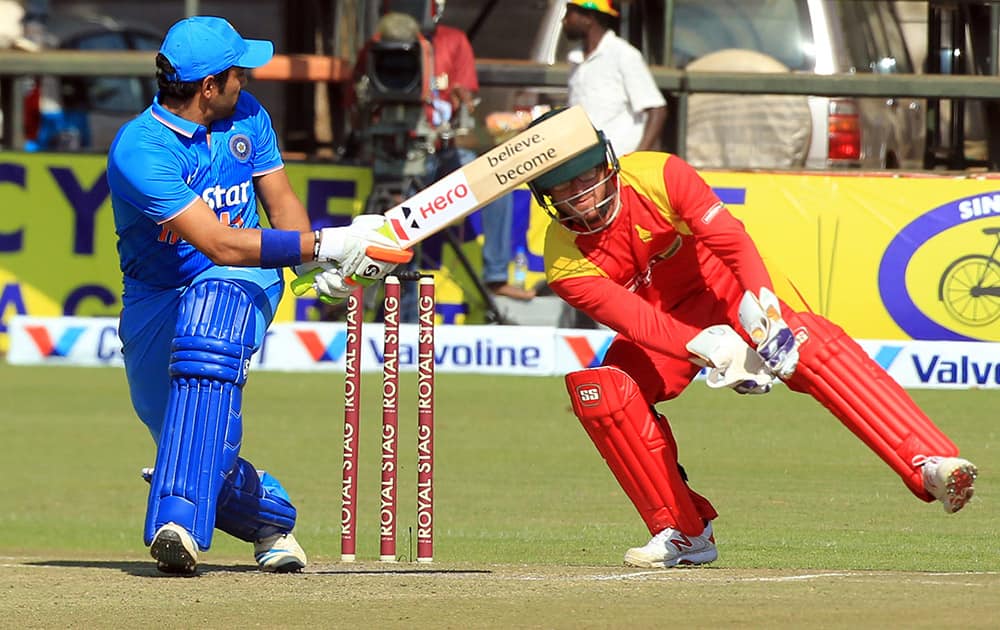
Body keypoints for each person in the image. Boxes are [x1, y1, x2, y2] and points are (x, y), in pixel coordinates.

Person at [525, 109, 978, 568]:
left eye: (583, 179)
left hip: (727, 290)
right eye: (560, 190)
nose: (579, 199)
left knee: (810, 346)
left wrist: (764, 309)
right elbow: (640, 322)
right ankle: (683, 532)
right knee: (601, 392)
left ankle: (929, 465)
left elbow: (731, 242)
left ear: (606, 163)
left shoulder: (658, 174)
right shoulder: (564, 260)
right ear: (544, 197)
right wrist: (714, 350)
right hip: (669, 329)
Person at [107, 16, 410, 575]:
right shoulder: (141, 150)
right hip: (158, 293)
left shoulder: (248, 115)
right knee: (186, 434)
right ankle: (271, 518)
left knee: (211, 314)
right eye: (238, 74)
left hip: (243, 281)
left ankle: (177, 523)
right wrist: (328, 241)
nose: (246, 82)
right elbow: (219, 242)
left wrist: (312, 267)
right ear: (207, 87)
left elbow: (280, 202)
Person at [354, 2, 533, 305]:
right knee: (399, 229)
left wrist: (463, 103)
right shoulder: (377, 45)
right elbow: (357, 96)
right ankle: (384, 303)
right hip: (395, 154)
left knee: (496, 180)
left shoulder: (453, 41)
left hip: (440, 152)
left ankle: (496, 274)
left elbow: (467, 101)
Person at [562, 0, 667, 155]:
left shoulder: (623, 54)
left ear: (588, 17)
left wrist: (636, 157)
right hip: (588, 164)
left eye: (569, 13)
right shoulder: (576, 58)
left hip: (618, 162)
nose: (564, 20)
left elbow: (657, 109)